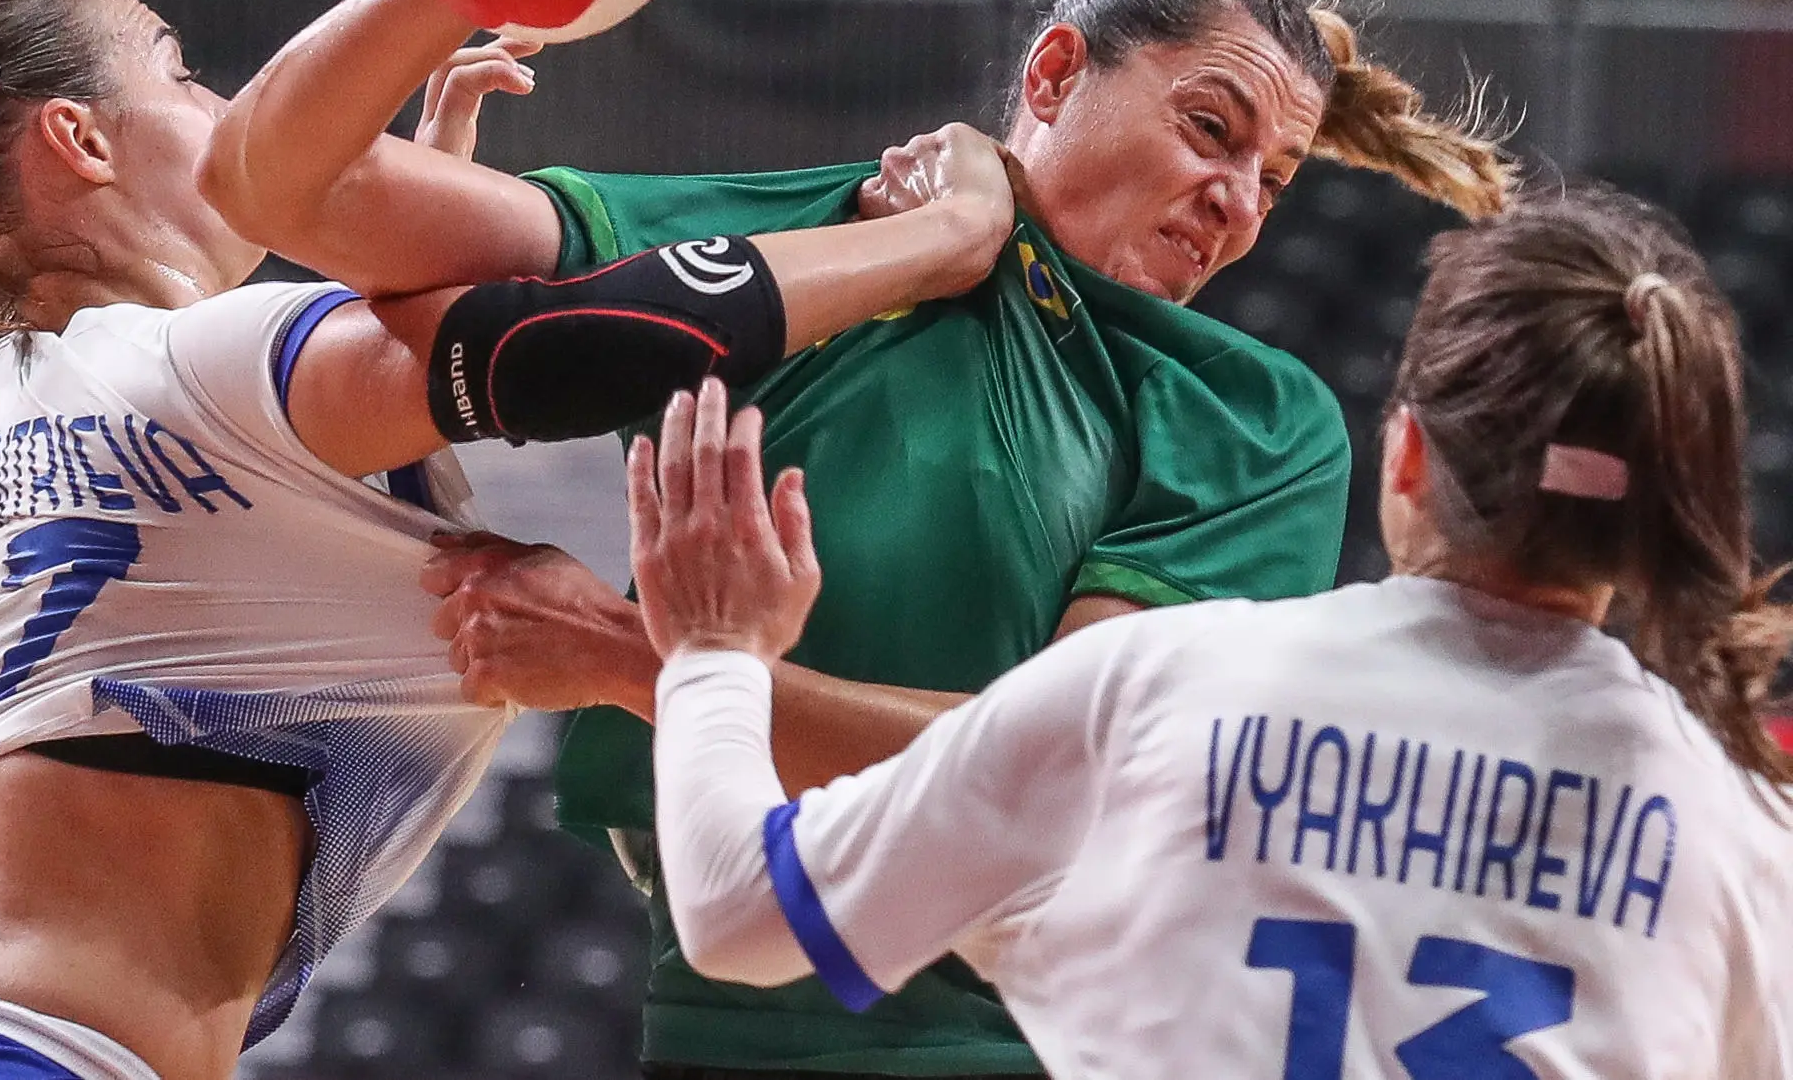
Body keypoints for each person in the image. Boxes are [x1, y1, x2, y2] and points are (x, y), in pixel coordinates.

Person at [0, 0, 1015, 1080]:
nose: (216, 103)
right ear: (79, 138)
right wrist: (934, 240)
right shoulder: (194, 368)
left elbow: (243, 525)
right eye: (180, 72)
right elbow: (574, 343)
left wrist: (412, 229)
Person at [423, 0, 1517, 1077]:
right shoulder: (801, 249)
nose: (1237, 204)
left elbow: (1070, 785)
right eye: (1209, 132)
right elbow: (385, 268)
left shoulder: (1247, 412)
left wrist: (630, 657)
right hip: (710, 1029)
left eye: (1273, 182)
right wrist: (442, 10)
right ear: (1052, 74)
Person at [642, 186, 1793, 1080]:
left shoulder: (1159, 683)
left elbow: (738, 909)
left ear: (1404, 455)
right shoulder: (1739, 827)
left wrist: (711, 653)